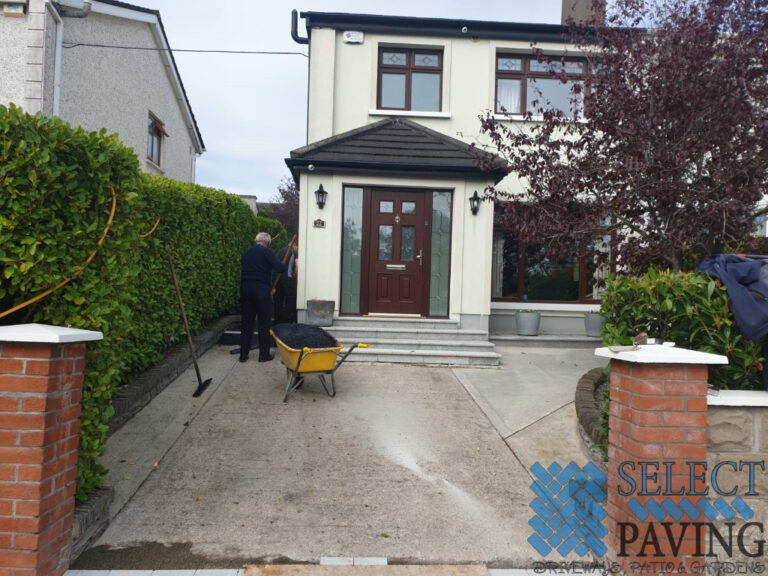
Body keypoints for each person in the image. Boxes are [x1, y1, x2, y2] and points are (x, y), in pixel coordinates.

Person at [239, 232, 287, 363]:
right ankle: (263, 355)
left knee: (247, 323)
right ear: (268, 243)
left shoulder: (246, 253)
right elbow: (280, 268)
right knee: (264, 323)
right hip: (261, 291)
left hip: (246, 289)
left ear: (256, 241)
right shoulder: (267, 253)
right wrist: (284, 263)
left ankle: (243, 355)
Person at [274, 240, 298, 325]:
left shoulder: (281, 250)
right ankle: (288, 320)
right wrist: (297, 277)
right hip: (288, 278)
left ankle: (277, 320)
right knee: (290, 299)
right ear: (295, 246)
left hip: (278, 278)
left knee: (278, 299)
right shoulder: (293, 252)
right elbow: (297, 266)